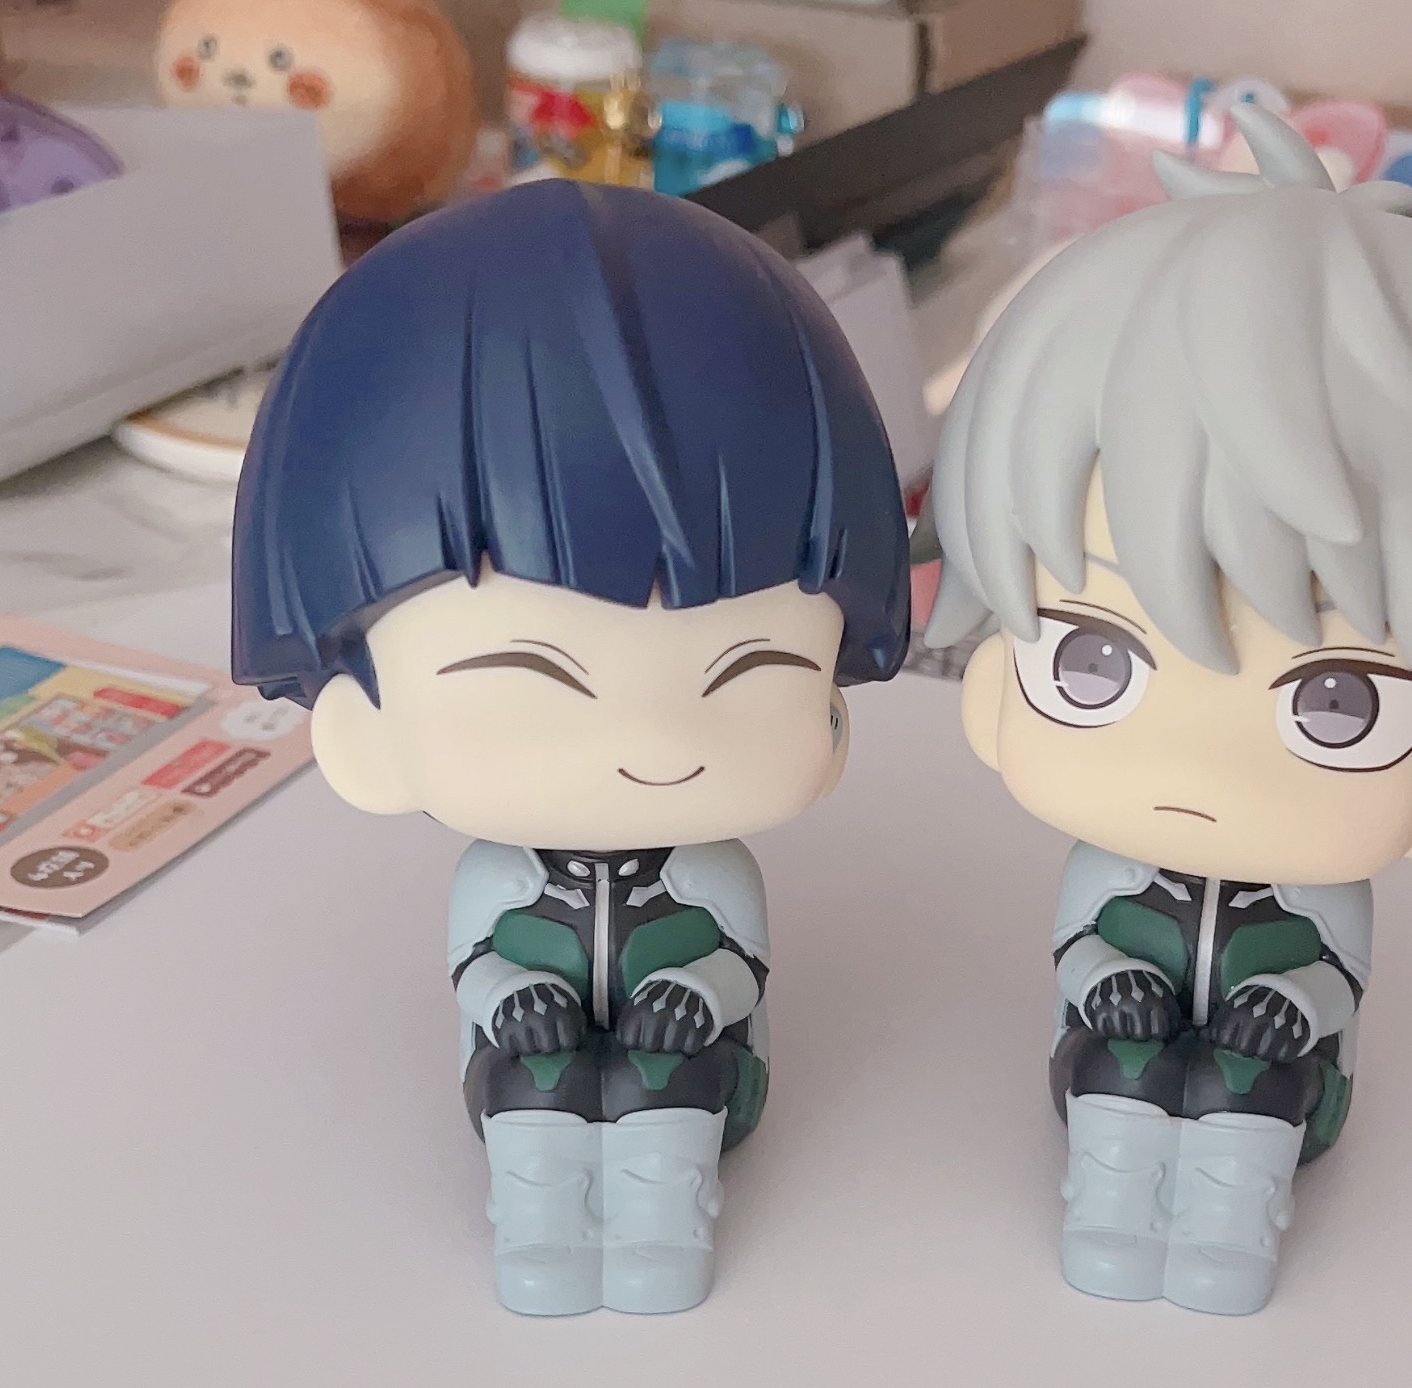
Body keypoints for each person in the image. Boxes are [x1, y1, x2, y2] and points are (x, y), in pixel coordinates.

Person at [924, 105, 1412, 1315]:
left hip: (1285, 1087)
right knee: (1121, 1075)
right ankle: (1112, 1210)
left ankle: (1226, 1237)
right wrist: (1112, 980)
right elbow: (1086, 946)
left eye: (1339, 701)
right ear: (992, 693)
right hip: (1112, 1062)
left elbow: (1332, 978)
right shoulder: (1110, 868)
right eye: (1095, 659)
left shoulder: (1326, 893)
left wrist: (1282, 1010)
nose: (1201, 765)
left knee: (1251, 1091)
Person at [232, 180, 911, 1316]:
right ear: (363, 732)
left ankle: (660, 1238)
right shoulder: (498, 880)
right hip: (522, 1071)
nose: (656, 741)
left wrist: (691, 992)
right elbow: (479, 965)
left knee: (666, 1083)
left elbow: (737, 965)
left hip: (701, 1072)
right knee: (536, 1089)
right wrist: (514, 997)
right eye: (532, 683)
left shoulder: (714, 873)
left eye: (748, 670)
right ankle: (541, 1234)